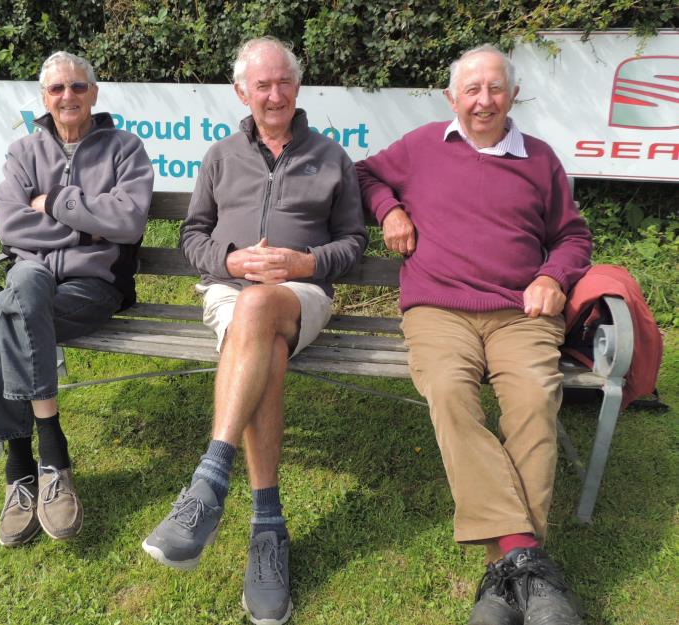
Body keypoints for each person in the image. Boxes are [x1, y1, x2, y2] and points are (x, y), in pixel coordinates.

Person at [356, 44, 591, 625]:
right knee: (449, 392)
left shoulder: (540, 159)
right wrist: (390, 211)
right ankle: (526, 560)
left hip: (520, 311)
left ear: (513, 95)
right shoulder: (420, 148)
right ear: (451, 98)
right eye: (472, 89)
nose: (483, 100)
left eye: (495, 89)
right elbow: (364, 174)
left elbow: (573, 237)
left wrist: (553, 275)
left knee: (535, 399)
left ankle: (500, 581)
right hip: (438, 308)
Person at [141, 36, 366, 625]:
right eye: (261, 85)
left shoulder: (330, 155)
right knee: (257, 327)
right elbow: (193, 237)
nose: (273, 94)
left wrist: (306, 263)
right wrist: (232, 261)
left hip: (303, 295)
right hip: (229, 293)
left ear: (298, 87)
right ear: (242, 91)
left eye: (283, 83)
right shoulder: (220, 156)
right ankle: (268, 525)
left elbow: (354, 242)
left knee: (263, 309)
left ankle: (209, 483)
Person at [0, 51, 153, 547]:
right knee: (23, 290)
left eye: (78, 87)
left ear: (94, 94)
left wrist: (54, 204)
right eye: (57, 89)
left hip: (93, 289)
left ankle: (21, 468)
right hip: (35, 278)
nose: (68, 96)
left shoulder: (124, 148)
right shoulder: (22, 152)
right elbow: (10, 225)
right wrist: (86, 231)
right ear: (44, 98)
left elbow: (128, 221)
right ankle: (49, 460)